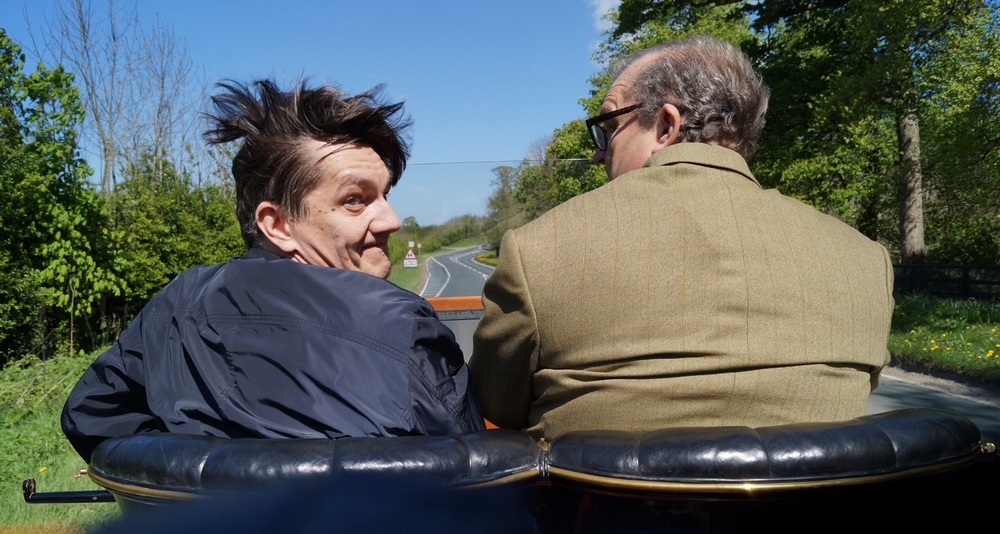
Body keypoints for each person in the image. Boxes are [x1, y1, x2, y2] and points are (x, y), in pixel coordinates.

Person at [471, 36, 894, 439]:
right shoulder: (865, 261)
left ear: (665, 126)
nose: (599, 153)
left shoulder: (538, 251)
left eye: (609, 126)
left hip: (599, 495)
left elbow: (495, 404)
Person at [62, 79, 483, 463]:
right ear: (278, 224)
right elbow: (473, 472)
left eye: (385, 195)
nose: (391, 219)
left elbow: (92, 414)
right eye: (355, 200)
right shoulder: (402, 326)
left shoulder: (173, 307)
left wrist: (188, 476)